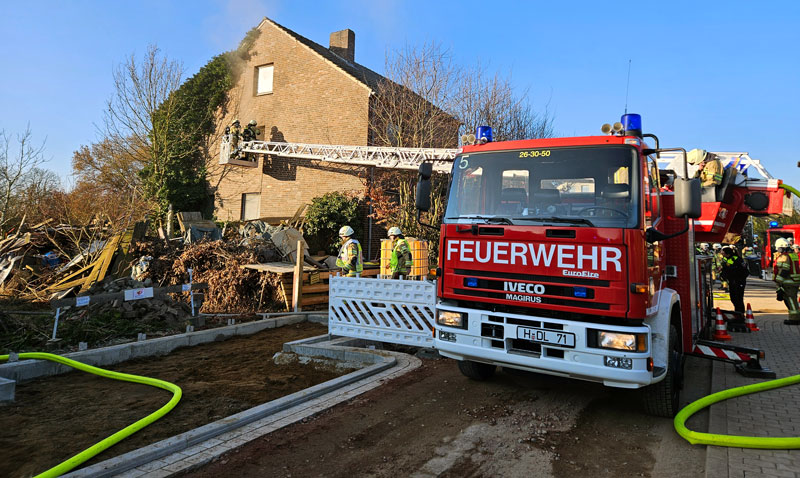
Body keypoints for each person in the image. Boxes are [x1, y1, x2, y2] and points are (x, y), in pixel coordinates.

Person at [774, 238, 800, 324]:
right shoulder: (793, 255)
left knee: (791, 300)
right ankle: (794, 317)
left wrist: (778, 281)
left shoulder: (784, 256)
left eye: (778, 248)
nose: (778, 250)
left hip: (789, 282)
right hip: (794, 280)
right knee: (792, 299)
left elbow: (785, 270)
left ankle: (794, 319)